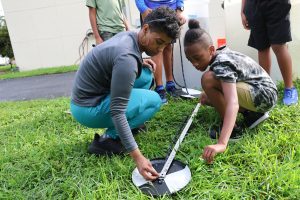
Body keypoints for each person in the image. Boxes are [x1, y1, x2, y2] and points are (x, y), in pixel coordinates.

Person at [71, 7, 180, 181]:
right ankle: (108, 140)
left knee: (145, 76)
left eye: (166, 45)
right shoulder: (127, 58)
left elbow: (119, 62)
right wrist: (138, 157)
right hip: (87, 108)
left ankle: (128, 127)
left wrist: (140, 61)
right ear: (145, 29)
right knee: (154, 101)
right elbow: (117, 111)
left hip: (91, 96)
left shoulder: (130, 37)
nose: (161, 49)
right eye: (159, 42)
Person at [183, 19, 278, 164]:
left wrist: (222, 143)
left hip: (264, 95)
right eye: (190, 60)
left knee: (207, 79)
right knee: (208, 92)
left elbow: (232, 102)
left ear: (211, 50)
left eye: (197, 58)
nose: (194, 64)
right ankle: (251, 114)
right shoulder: (221, 55)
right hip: (263, 92)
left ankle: (233, 131)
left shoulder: (221, 63)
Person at [241, 0, 298, 105]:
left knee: (278, 45)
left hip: (277, 3)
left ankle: (289, 88)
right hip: (253, 4)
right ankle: (266, 89)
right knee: (262, 47)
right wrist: (242, 10)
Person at [135, 0, 186, 104]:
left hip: (170, 9)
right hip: (150, 10)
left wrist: (180, 8)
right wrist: (143, 8)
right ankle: (159, 88)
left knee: (168, 47)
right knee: (156, 48)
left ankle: (170, 84)